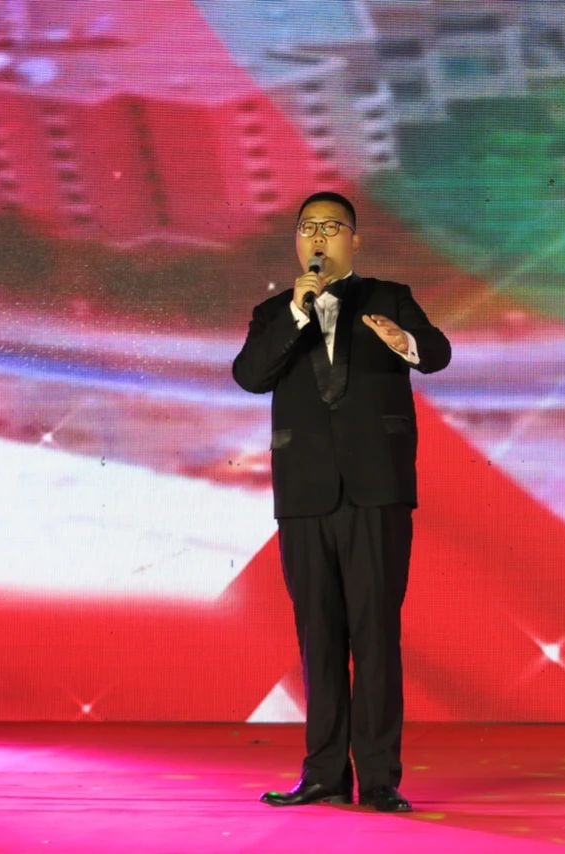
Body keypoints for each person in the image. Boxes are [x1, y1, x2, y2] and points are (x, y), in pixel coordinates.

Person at [232, 191, 451, 812]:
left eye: (331, 227)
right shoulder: (275, 311)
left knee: (375, 634)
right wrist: (296, 313)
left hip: (376, 489)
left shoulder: (389, 296)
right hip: (304, 495)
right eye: (308, 228)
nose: (319, 238)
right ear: (297, 242)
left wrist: (403, 341)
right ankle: (325, 773)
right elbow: (250, 375)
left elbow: (437, 353)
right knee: (318, 637)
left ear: (354, 239)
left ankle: (379, 779)